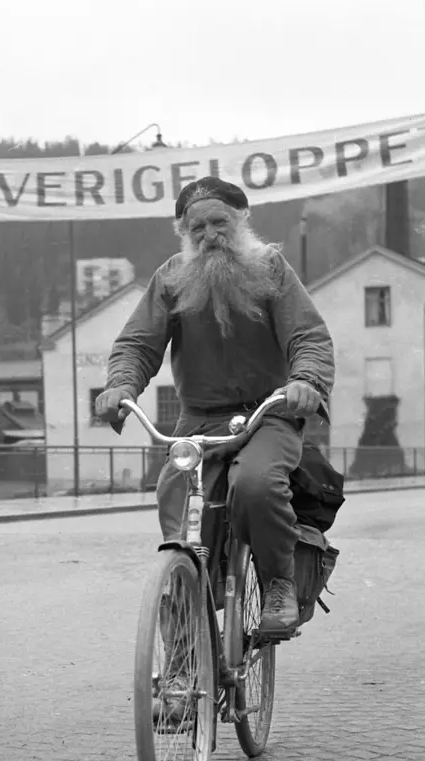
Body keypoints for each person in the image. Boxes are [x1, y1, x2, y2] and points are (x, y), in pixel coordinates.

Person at [94, 176, 335, 634]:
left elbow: (308, 336)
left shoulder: (271, 268)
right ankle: (186, 630)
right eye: (197, 227)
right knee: (178, 502)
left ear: (242, 219)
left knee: (257, 487)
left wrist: (306, 380)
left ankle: (278, 582)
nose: (209, 235)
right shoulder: (171, 277)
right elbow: (137, 344)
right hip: (199, 420)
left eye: (219, 222)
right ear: (184, 233)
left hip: (268, 414)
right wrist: (121, 386)